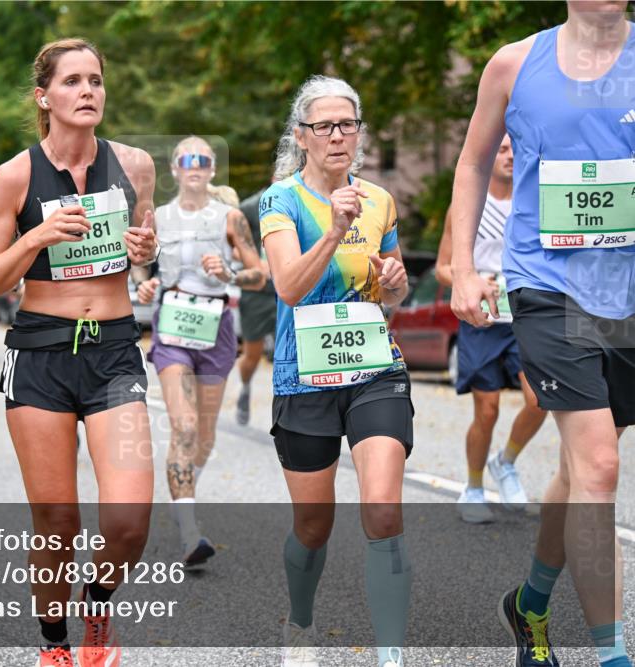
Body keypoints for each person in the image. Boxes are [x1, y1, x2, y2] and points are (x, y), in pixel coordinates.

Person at [449, 4, 633, 666]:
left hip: (625, 293)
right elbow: (472, 164)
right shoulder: (515, 63)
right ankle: (615, 656)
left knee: (582, 466)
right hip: (547, 284)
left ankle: (530, 602)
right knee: (603, 465)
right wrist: (464, 266)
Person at [0, 38, 157, 667]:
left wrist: (144, 252)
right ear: (44, 96)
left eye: (96, 81)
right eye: (73, 81)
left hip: (114, 352)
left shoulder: (134, 165)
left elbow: (144, 249)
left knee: (129, 519)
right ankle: (54, 647)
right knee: (57, 524)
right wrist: (37, 238)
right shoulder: (15, 176)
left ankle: (97, 602)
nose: (87, 91)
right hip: (40, 355)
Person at [261, 75, 413, 667]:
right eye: (323, 126)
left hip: (374, 368)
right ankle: (300, 623)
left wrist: (394, 285)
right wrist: (331, 231)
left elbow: (388, 283)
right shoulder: (281, 201)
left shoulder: (380, 200)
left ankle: (391, 657)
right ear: (302, 137)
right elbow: (289, 287)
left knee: (382, 509)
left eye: (347, 124)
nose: (337, 136)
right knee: (313, 526)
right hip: (305, 379)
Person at [135, 136, 266, 567]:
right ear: (174, 168)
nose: (195, 166)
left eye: (203, 160)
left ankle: (182, 496)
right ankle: (190, 533)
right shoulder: (160, 219)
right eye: (187, 159)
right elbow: (138, 264)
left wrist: (229, 270)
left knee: (205, 436)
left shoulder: (230, 218)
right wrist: (144, 284)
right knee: (185, 426)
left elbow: (259, 275)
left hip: (217, 329)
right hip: (172, 327)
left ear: (212, 169)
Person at [436, 135, 548, 523]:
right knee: (487, 410)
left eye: (516, 148)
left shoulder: (535, 201)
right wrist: (469, 279)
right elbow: (442, 267)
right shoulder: (467, 206)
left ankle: (507, 461)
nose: (510, 156)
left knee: (540, 400)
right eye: (501, 149)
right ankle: (473, 487)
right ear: (489, 155)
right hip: (481, 320)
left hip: (526, 318)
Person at [235, 181, 278, 426]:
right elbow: (234, 244)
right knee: (252, 354)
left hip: (290, 287)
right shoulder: (250, 207)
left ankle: (289, 408)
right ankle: (245, 386)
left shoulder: (304, 200)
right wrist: (254, 263)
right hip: (258, 290)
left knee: (294, 351)